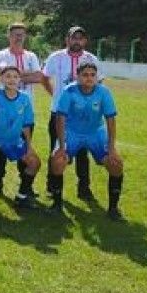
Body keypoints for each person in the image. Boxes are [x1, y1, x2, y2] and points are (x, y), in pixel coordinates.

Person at [47, 61, 126, 220]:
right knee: (57, 160)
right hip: (72, 133)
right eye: (85, 75)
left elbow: (110, 120)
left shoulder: (103, 92)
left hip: (95, 133)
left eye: (92, 75)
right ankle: (56, 203)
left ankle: (113, 208)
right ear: (77, 76)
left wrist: (111, 148)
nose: (89, 78)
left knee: (116, 164)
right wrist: (62, 146)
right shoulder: (69, 91)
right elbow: (60, 119)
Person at [42, 26, 103, 200]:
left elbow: (99, 83)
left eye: (80, 38)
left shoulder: (91, 58)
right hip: (59, 112)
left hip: (82, 114)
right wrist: (54, 95)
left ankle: (83, 188)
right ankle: (52, 186)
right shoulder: (56, 57)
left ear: (85, 41)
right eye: (73, 38)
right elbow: (44, 77)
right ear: (67, 40)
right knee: (55, 149)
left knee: (83, 150)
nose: (77, 41)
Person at [0, 23, 50, 196]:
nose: (18, 37)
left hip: (25, 109)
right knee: (2, 147)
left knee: (26, 145)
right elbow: (2, 74)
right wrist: (24, 76)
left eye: (21, 34)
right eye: (15, 34)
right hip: (5, 109)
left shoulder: (31, 55)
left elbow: (39, 77)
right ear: (8, 36)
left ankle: (25, 185)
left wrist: (14, 76)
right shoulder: (2, 54)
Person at [0, 65, 41, 210]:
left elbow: (26, 125)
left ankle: (22, 197)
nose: (12, 79)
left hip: (12, 139)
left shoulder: (25, 98)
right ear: (2, 79)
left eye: (15, 77)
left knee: (34, 162)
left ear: (20, 80)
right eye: (8, 76)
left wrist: (29, 147)